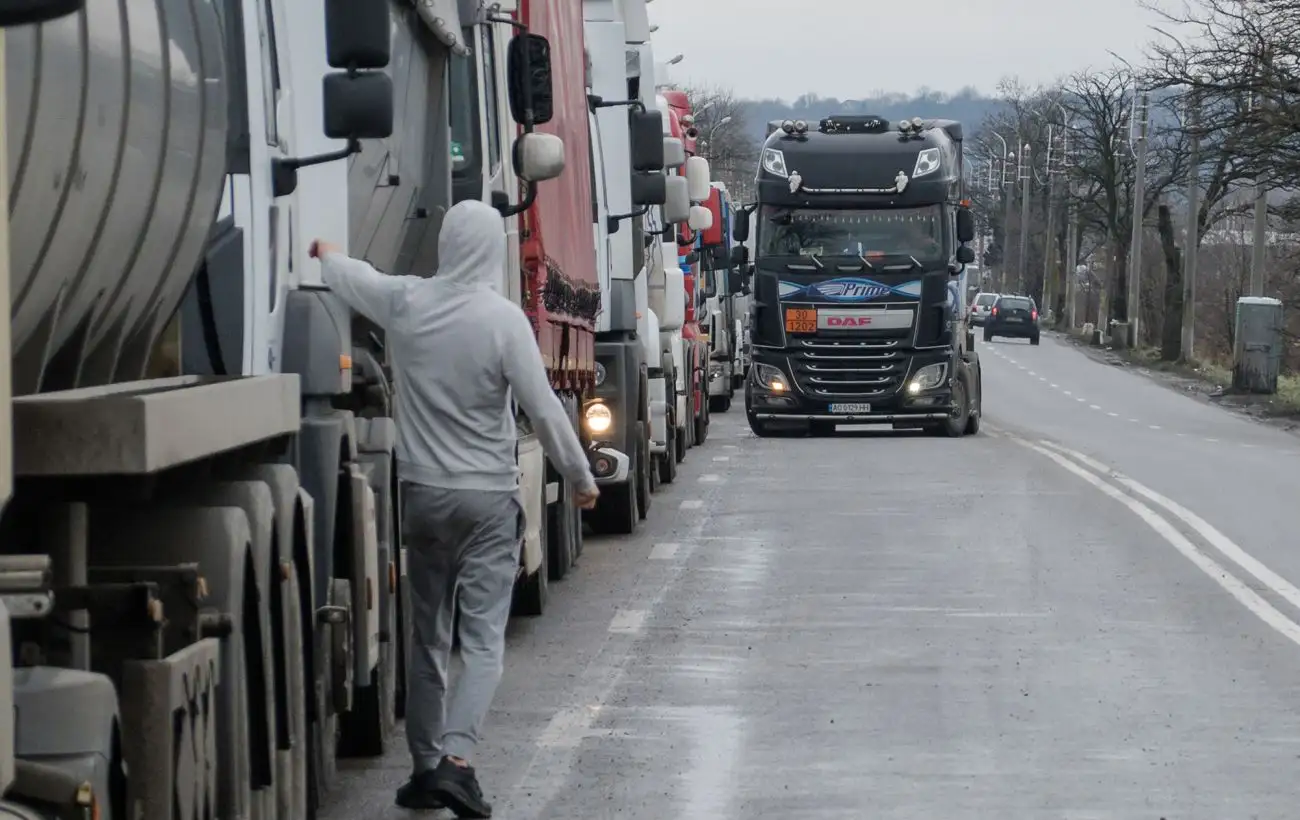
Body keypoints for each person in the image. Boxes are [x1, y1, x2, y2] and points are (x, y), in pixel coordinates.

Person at [309, 199, 599, 818]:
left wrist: (325, 254)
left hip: (422, 495)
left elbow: (354, 276)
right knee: (484, 637)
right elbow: (543, 409)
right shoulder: (503, 321)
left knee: (428, 637)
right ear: (491, 250)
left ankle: (423, 767)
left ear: (444, 244)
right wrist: (580, 476)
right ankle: (457, 763)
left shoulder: (408, 303)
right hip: (488, 499)